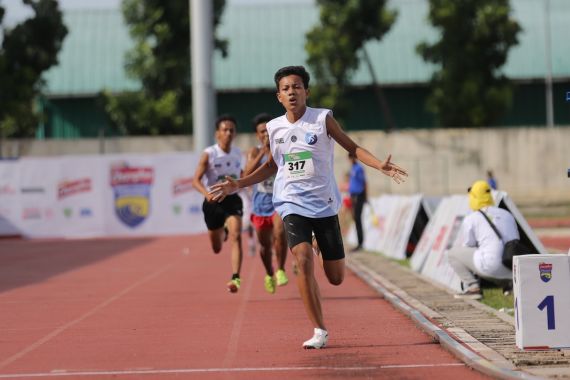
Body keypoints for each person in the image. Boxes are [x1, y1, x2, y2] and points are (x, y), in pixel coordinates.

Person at [210, 65, 408, 349]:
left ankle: (319, 243)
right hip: (291, 202)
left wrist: (380, 165)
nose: (292, 92)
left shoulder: (322, 118)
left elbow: (352, 148)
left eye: (297, 87)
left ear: (307, 91)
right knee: (302, 261)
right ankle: (319, 329)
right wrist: (239, 183)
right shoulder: (275, 128)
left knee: (336, 277)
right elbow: (272, 166)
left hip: (325, 206)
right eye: (286, 89)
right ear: (279, 96)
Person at [192, 115, 244, 293]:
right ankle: (223, 231)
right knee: (216, 247)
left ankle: (235, 277)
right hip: (213, 201)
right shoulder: (209, 154)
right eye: (225, 130)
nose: (228, 133)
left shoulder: (238, 153)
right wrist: (207, 194)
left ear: (235, 133)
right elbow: (195, 181)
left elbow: (242, 174)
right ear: (217, 134)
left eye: (231, 130)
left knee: (237, 235)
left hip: (232, 200)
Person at [447, 180, 517, 300]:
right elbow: (514, 240)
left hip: (489, 267)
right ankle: (508, 285)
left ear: (473, 197)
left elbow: (468, 245)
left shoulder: (472, 218)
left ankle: (473, 288)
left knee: (452, 254)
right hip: (512, 268)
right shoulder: (507, 214)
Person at [244, 112, 289, 294]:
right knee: (265, 245)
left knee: (280, 232)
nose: (265, 134)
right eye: (261, 132)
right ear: (257, 135)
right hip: (260, 206)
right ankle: (269, 272)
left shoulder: (282, 147)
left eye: (267, 130)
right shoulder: (254, 151)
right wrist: (263, 151)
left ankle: (280, 269)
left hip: (279, 203)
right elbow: (246, 174)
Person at [348, 152, 367, 251]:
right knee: (355, 219)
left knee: (358, 218)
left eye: (353, 158)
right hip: (353, 196)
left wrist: (366, 196)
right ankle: (358, 241)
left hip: (359, 195)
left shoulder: (359, 168)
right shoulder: (352, 168)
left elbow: (364, 182)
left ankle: (360, 243)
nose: (352, 160)